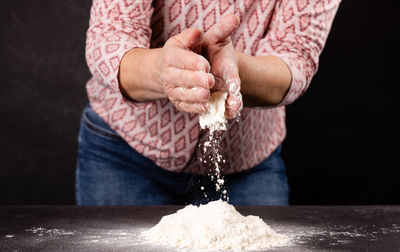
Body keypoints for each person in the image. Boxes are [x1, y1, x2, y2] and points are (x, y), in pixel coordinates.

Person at [76, 0, 341, 206]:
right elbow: (109, 37)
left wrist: (236, 72)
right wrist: (163, 71)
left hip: (245, 165)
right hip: (126, 154)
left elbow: (296, 58)